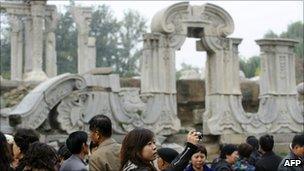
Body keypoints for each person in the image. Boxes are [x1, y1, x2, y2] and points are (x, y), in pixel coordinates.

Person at [120, 128, 200, 171]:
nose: (154, 147)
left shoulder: (133, 164)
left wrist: (189, 148)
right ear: (137, 147)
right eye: (149, 144)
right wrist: (190, 148)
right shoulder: (137, 169)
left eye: (154, 143)